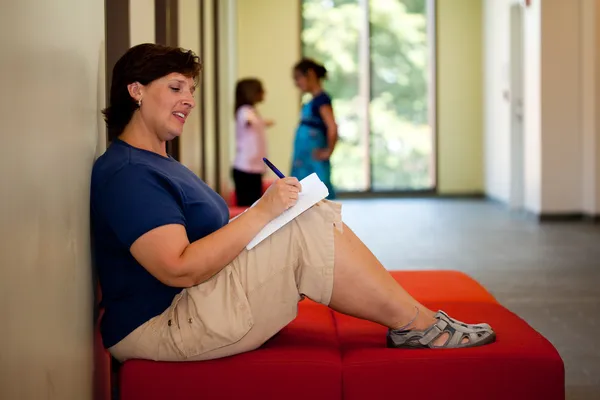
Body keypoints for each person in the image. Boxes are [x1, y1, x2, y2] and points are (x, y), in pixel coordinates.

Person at [91, 43, 495, 364]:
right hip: (168, 324)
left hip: (196, 302)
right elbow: (177, 268)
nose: (189, 100)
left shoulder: (156, 161)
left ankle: (414, 319)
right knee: (307, 224)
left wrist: (264, 215)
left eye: (192, 90)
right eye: (176, 87)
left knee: (307, 213)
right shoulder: (128, 173)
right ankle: (419, 324)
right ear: (136, 90)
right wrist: (263, 213)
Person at [291, 58, 338, 199]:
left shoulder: (321, 100)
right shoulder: (312, 101)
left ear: (310, 74)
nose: (296, 83)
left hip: (313, 163)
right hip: (304, 161)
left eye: (298, 78)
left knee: (317, 198)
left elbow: (332, 127)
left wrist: (329, 151)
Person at [232, 78, 273, 206]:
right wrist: (262, 122)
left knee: (255, 205)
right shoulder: (244, 111)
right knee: (248, 207)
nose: (264, 93)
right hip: (246, 170)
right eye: (260, 90)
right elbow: (248, 120)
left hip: (254, 169)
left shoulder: (252, 111)